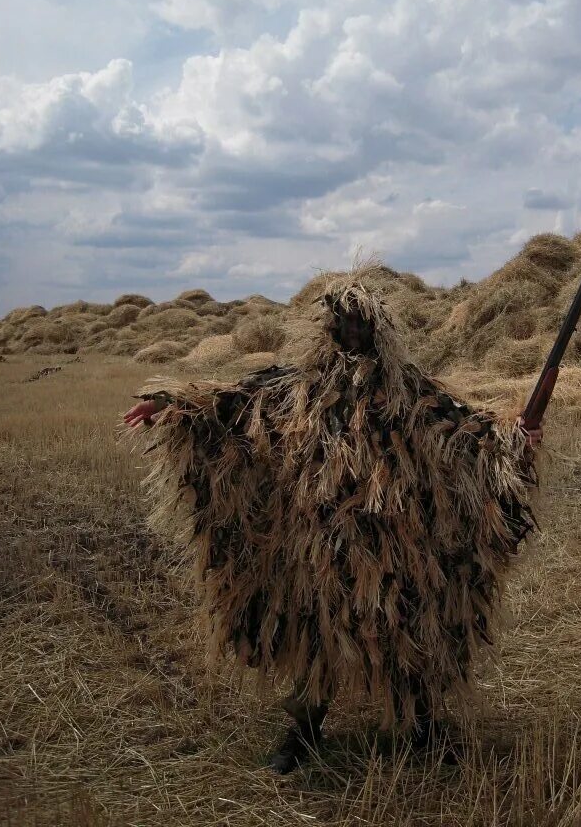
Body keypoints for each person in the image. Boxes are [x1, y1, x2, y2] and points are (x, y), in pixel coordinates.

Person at [124, 275, 543, 774]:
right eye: (345, 323)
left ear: (378, 329)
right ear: (331, 328)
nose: (353, 333)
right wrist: (168, 404)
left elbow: (465, 430)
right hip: (317, 544)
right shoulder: (296, 386)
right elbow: (230, 402)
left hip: (395, 544)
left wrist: (516, 436)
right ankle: (303, 731)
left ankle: (423, 728)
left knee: (407, 629)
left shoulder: (408, 391)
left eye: (363, 324)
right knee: (316, 633)